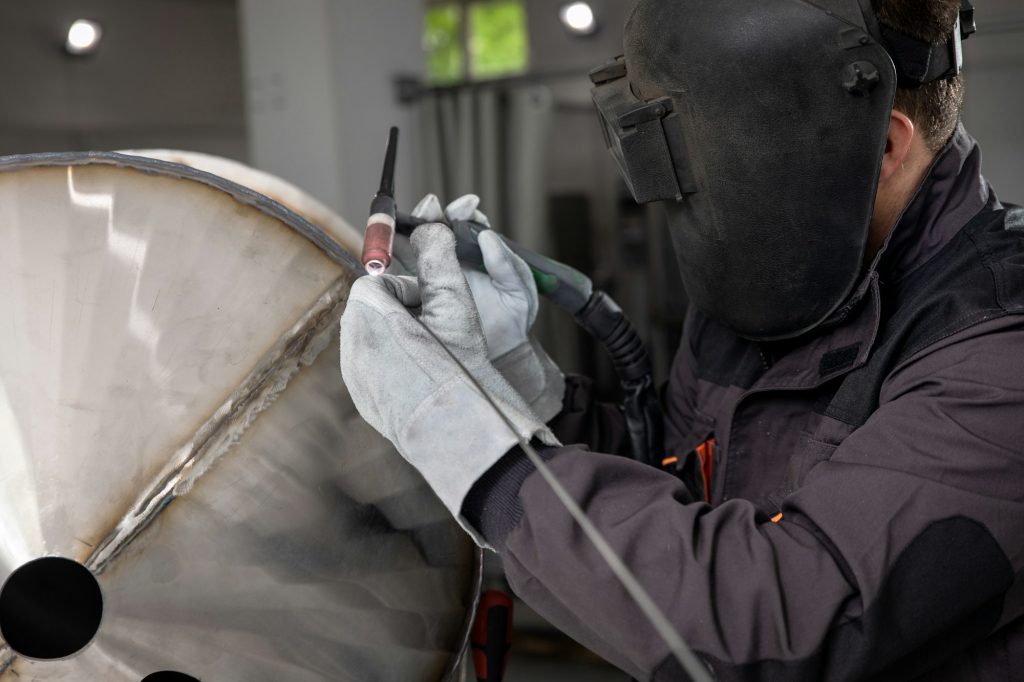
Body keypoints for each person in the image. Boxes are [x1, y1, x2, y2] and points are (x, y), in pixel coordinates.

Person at [339, 0, 1024, 679]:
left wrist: (477, 455)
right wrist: (523, 395)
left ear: (880, 144)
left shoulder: (998, 353)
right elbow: (678, 485)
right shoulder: (775, 280)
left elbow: (785, 625)